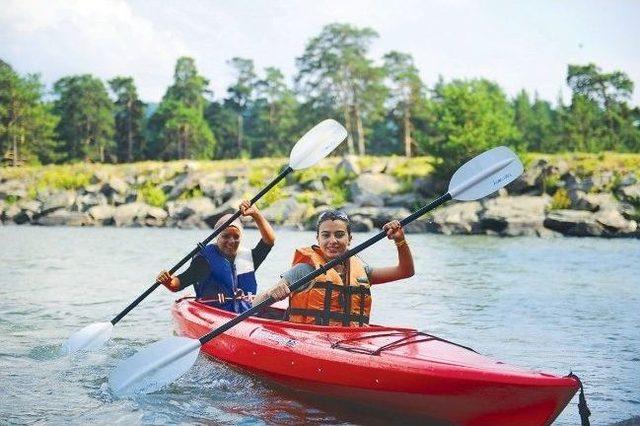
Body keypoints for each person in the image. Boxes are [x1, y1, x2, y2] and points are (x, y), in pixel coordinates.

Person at [254, 210, 414, 326]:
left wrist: (400, 240)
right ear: (317, 238)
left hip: (350, 340)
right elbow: (256, 304)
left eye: (339, 235)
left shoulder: (363, 272)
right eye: (326, 235)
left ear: (349, 239)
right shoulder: (304, 270)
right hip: (310, 341)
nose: (332, 240)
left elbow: (405, 271)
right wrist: (272, 293)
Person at [157, 200, 276, 313]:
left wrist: (256, 214)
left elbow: (269, 241)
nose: (231, 241)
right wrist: (167, 280)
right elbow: (177, 283)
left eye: (236, 236)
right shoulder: (205, 260)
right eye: (225, 236)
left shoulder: (248, 258)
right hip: (214, 314)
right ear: (217, 237)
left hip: (246, 315)